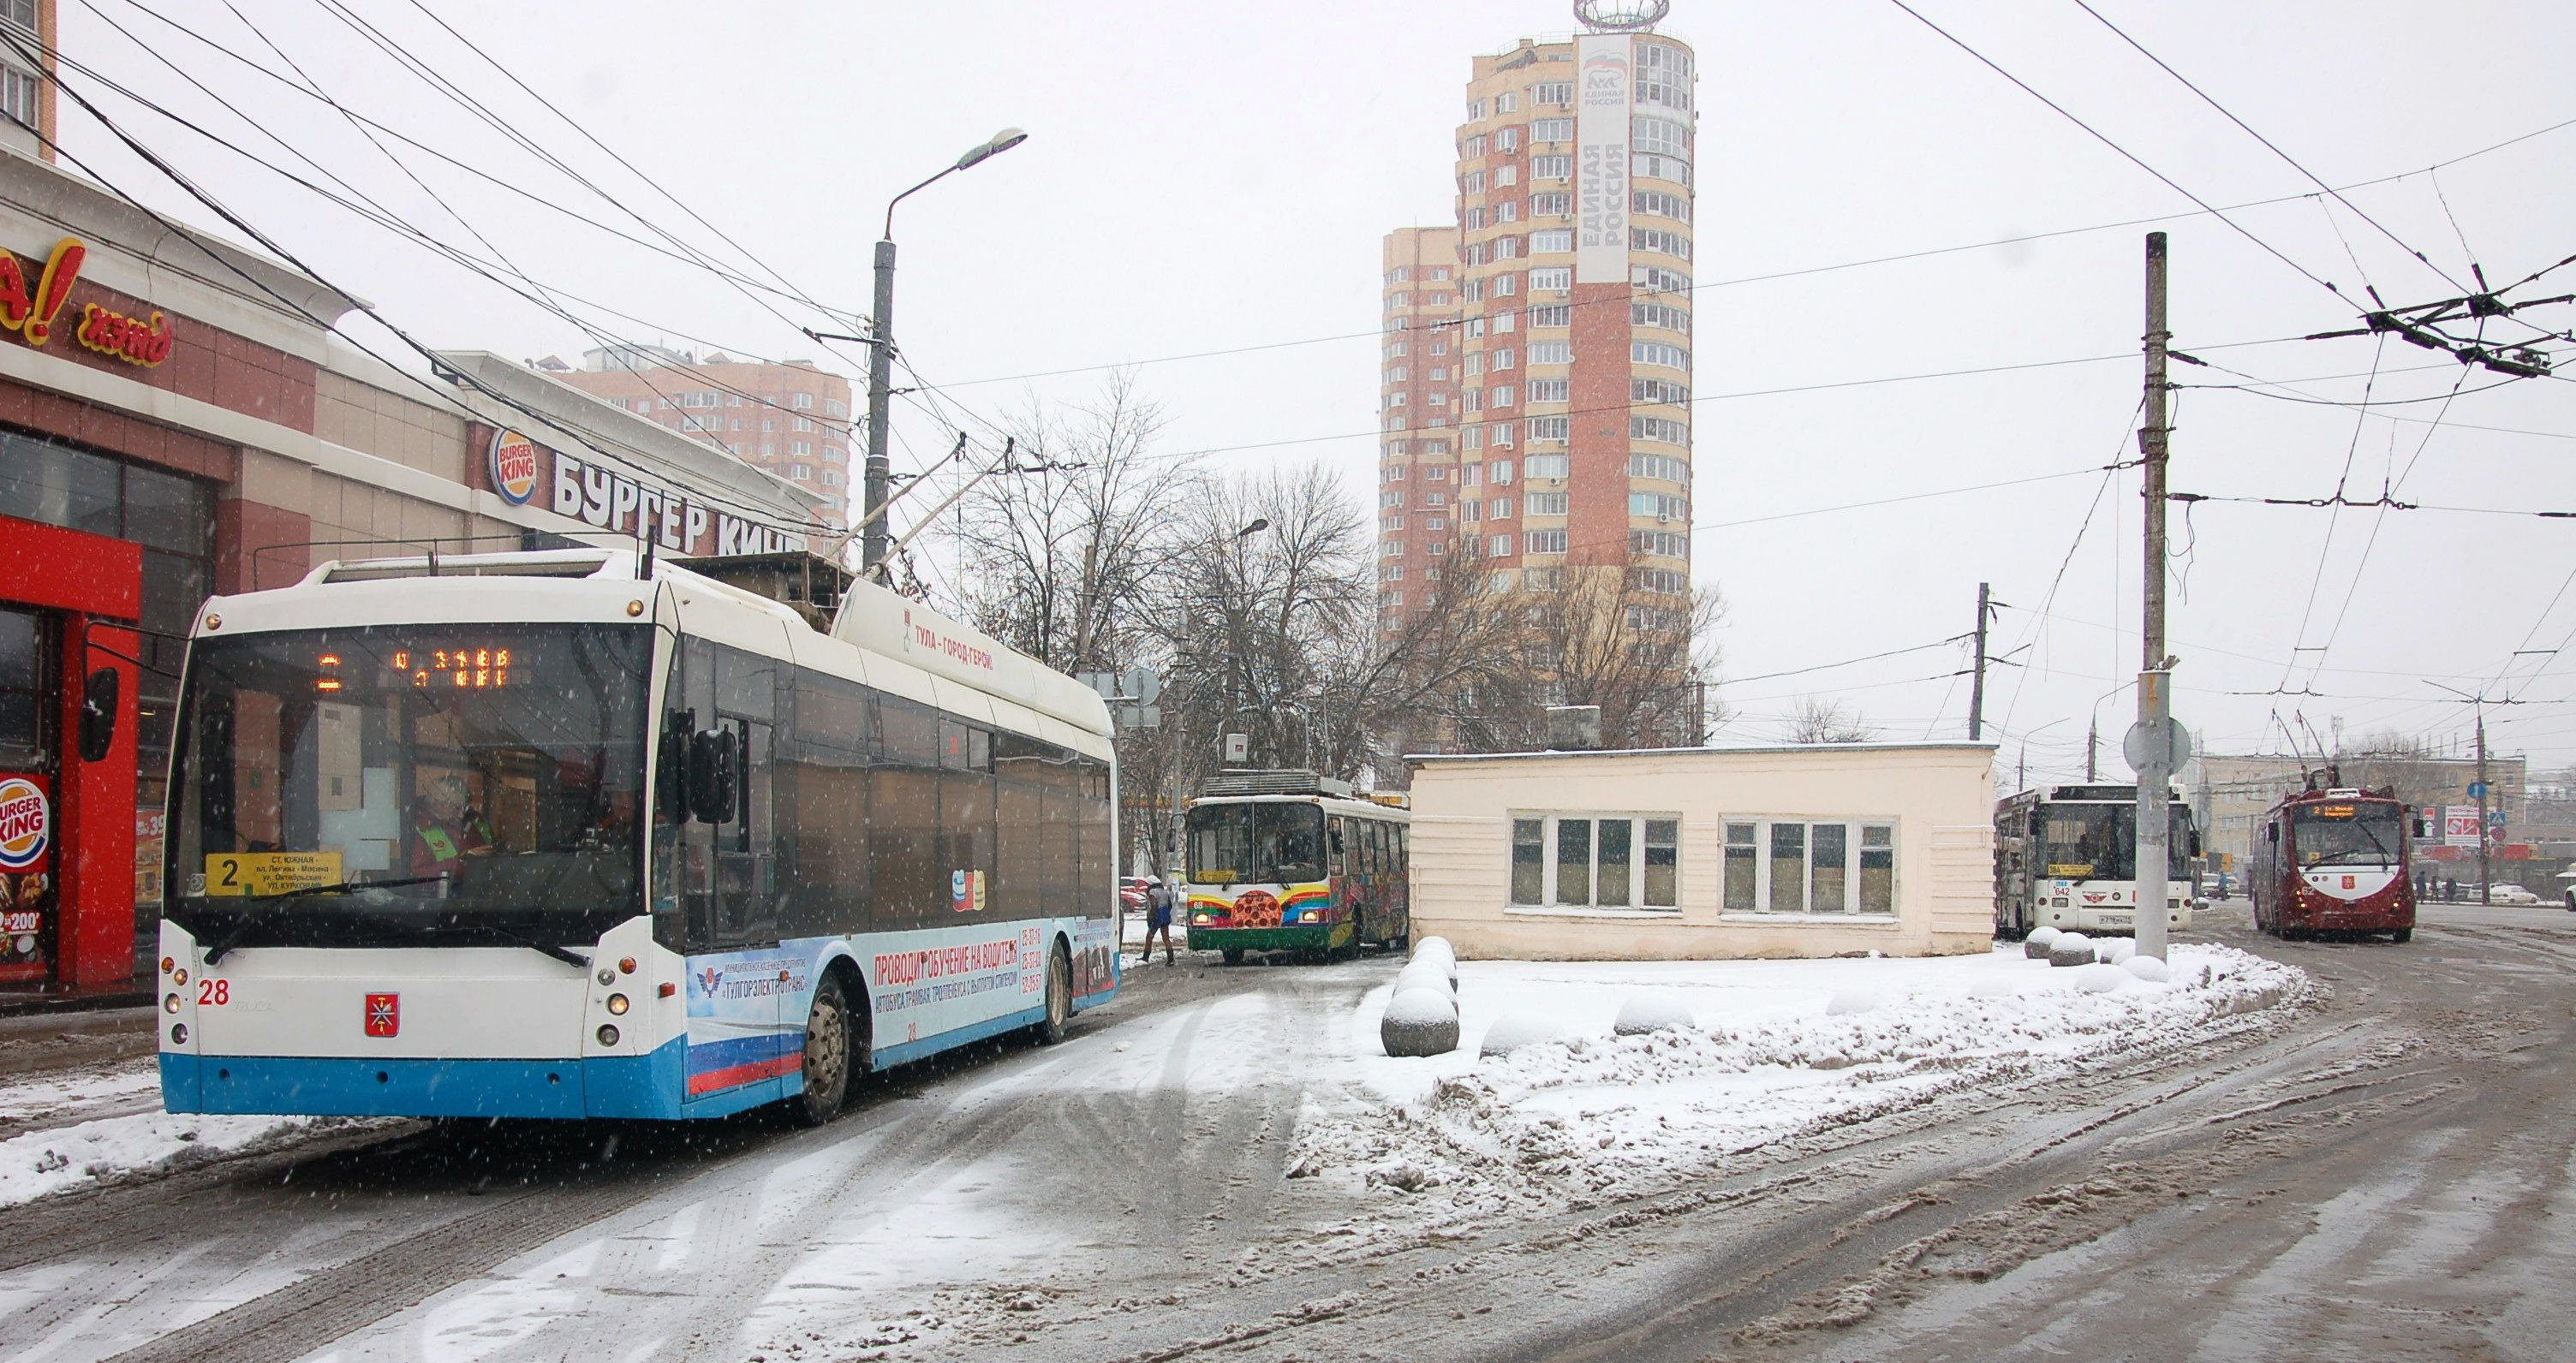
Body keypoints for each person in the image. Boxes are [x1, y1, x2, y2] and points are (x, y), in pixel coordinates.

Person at [1138, 875, 1175, 966]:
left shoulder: (1152, 892)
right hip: (1165, 915)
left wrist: (1152, 916)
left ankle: (1145, 957)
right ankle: (1171, 958)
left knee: (1149, 937)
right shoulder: (1164, 892)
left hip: (1157, 916)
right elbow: (1170, 905)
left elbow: (1154, 905)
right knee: (1166, 938)